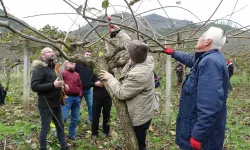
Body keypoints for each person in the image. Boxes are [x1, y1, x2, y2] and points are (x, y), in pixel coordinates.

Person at [162, 27, 229, 150]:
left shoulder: (210, 63)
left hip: (202, 135)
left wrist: (198, 135)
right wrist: (173, 53)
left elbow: (210, 104)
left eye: (202, 36)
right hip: (195, 126)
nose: (198, 38)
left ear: (207, 42)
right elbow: (192, 60)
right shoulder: (208, 58)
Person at [100, 25, 155, 150]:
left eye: (128, 52)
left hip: (140, 115)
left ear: (131, 56)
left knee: (138, 143)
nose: (127, 51)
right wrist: (119, 31)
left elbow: (122, 92)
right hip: (142, 107)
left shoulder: (139, 74)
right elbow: (129, 44)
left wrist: (110, 78)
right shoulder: (145, 56)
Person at [31, 47, 69, 150]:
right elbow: (34, 87)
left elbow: (57, 82)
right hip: (45, 105)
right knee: (45, 129)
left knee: (60, 127)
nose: (52, 53)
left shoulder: (54, 68)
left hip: (56, 104)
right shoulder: (39, 69)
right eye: (49, 52)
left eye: (52, 52)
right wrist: (53, 85)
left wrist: (63, 85)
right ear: (43, 56)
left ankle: (64, 147)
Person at [61, 61, 82, 140]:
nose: (72, 64)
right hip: (67, 98)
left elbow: (80, 85)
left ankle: (71, 135)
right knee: (64, 117)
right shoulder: (63, 73)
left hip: (76, 98)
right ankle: (58, 133)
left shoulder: (77, 74)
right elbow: (58, 83)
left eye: (73, 63)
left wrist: (80, 95)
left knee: (75, 118)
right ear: (66, 64)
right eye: (70, 63)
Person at [90, 72, 113, 138]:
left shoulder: (111, 73)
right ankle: (94, 133)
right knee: (95, 116)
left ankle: (106, 132)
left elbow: (114, 83)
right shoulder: (95, 72)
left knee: (107, 116)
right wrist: (95, 84)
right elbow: (89, 83)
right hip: (97, 98)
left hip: (107, 98)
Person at [75, 50, 93, 124]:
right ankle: (76, 119)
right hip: (79, 89)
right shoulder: (78, 65)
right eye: (87, 54)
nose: (88, 56)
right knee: (77, 105)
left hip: (88, 89)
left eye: (89, 55)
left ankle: (91, 119)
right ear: (84, 55)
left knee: (91, 105)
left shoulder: (91, 66)